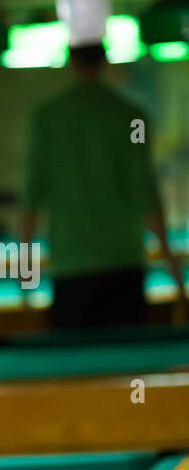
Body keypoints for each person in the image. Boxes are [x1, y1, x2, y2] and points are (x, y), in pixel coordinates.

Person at [20, 43, 186, 327]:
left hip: (71, 273)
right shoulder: (131, 115)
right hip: (124, 268)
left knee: (72, 369)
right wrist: (174, 272)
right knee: (132, 365)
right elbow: (146, 193)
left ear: (70, 61)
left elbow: (31, 198)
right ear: (106, 59)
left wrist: (25, 279)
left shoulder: (47, 118)